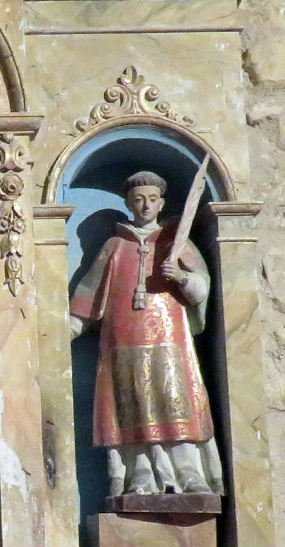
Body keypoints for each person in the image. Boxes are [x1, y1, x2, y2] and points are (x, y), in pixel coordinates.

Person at [68, 170, 223, 500]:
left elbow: (201, 290)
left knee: (176, 398)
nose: (145, 205)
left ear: (161, 203)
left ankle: (188, 471)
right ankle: (140, 473)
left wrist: (180, 276)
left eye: (152, 199)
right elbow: (90, 292)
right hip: (123, 339)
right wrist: (70, 326)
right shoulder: (115, 246)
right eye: (138, 200)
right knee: (131, 403)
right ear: (128, 203)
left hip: (170, 338)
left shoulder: (175, 243)